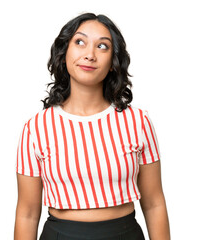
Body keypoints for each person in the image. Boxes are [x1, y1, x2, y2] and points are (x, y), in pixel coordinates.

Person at [14, 12, 170, 240]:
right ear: (64, 52)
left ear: (114, 61)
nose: (89, 55)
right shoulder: (36, 128)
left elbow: (155, 203)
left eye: (102, 46)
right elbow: (27, 214)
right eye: (80, 42)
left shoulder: (138, 122)